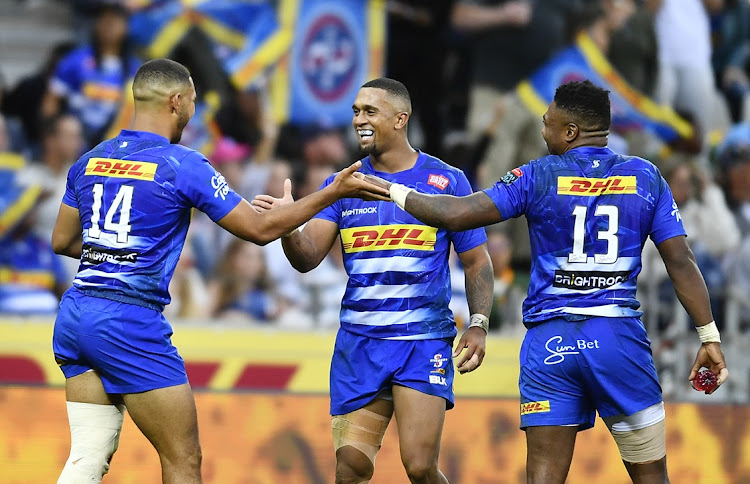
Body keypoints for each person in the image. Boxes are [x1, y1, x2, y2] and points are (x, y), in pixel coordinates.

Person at [363, 80, 730, 484]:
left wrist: (390, 189)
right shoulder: (646, 177)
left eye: (547, 122)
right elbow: (680, 261)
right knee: (652, 478)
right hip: (618, 342)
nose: (543, 130)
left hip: (551, 347)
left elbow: (456, 214)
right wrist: (708, 335)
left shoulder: (536, 175)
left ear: (569, 132)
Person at [50, 58, 389, 484]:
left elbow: (62, 241)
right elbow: (260, 229)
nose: (193, 111)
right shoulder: (182, 164)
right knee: (183, 459)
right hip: (127, 322)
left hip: (76, 314)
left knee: (88, 455)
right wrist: (332, 192)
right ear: (176, 102)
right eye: (192, 101)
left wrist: (112, 254)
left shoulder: (90, 159)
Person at [252, 78, 493, 484]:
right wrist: (289, 227)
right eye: (355, 111)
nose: (359, 120)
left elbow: (477, 261)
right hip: (359, 344)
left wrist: (479, 322)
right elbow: (308, 258)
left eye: (369, 112)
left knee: (419, 466)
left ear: (401, 119)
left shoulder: (447, 180)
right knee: (351, 469)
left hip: (421, 342)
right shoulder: (342, 184)